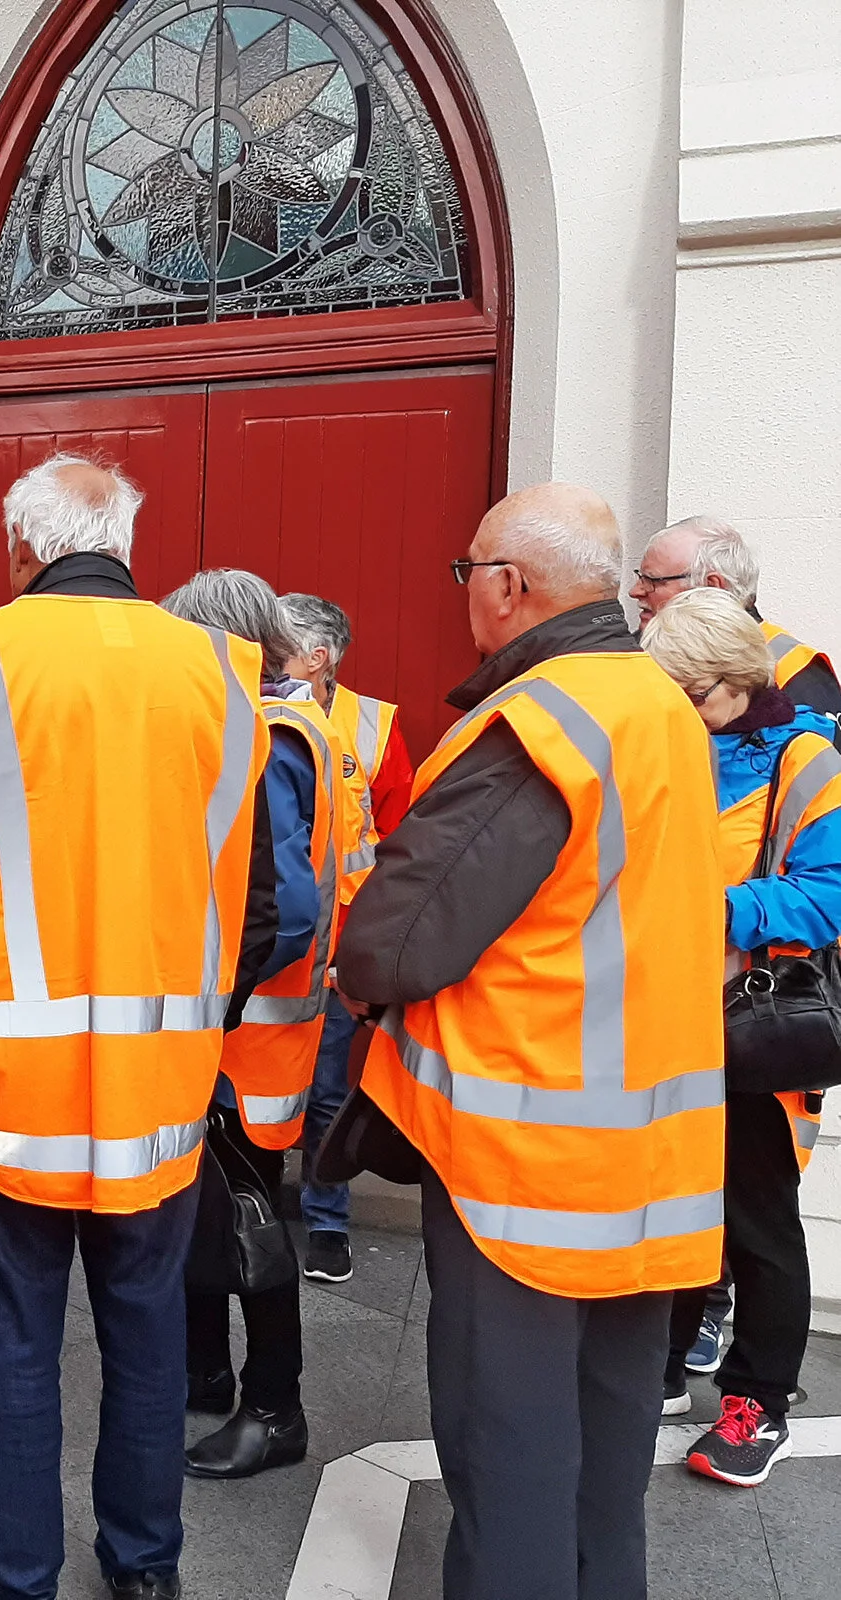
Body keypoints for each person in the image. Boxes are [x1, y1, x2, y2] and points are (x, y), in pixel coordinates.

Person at [0, 454, 280, 1600]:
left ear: (19, 548)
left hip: (11, 1086)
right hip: (163, 1081)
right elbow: (260, 904)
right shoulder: (225, 669)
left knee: (15, 1339)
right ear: (129, 546)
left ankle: (14, 1578)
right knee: (148, 1336)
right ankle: (146, 1571)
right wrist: (203, 1024)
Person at [335, 482, 726, 1600]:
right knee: (606, 1461)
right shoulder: (657, 704)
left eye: (469, 573)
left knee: (509, 1460)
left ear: (508, 588)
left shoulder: (536, 723)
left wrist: (358, 947)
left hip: (524, 1163)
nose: (466, 594)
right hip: (650, 1157)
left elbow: (398, 943)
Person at [641, 589, 838, 1487]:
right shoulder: (668, 741)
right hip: (657, 1020)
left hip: (748, 1026)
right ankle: (667, 1362)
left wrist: (722, 909)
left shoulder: (806, 759)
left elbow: (829, 891)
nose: (671, 708)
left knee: (756, 1222)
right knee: (670, 1202)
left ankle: (756, 1402)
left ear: (728, 683)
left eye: (683, 692)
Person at [162, 571, 328, 1482]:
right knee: (220, 1211)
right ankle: (204, 1369)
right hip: (268, 1033)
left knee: (252, 1227)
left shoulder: (261, 740)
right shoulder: (304, 729)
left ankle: (274, 1406)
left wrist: (207, 997)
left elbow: (285, 909)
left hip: (244, 1040)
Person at [280, 592, 415, 1287]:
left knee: (330, 1087)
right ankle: (253, 1206)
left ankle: (326, 1222)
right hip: (267, 935)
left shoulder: (374, 726)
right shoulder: (248, 709)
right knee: (245, 1081)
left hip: (339, 941)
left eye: (279, 643)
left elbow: (399, 838)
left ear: (317, 657)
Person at [629, 514, 841, 712]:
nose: (635, 591)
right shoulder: (636, 651)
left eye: (652, 581)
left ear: (711, 586)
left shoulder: (793, 670)